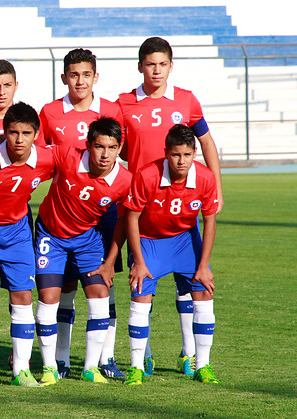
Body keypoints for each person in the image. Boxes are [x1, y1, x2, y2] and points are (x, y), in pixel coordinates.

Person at [117, 36, 223, 376]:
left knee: (190, 287)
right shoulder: (124, 104)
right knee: (142, 284)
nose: (156, 70)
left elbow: (205, 141)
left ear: (171, 66)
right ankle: (143, 356)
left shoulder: (187, 101)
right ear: (140, 66)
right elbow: (114, 147)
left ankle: (189, 354)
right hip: (143, 207)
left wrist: (216, 187)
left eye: (162, 64)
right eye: (150, 64)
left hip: (182, 206)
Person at [38, 48, 126, 379]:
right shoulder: (50, 112)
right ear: (64, 77)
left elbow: (121, 155)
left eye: (86, 74)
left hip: (102, 213)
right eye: (74, 74)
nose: (80, 81)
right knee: (65, 287)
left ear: (95, 77)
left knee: (105, 282)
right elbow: (38, 152)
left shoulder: (111, 110)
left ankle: (105, 358)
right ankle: (59, 358)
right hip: (64, 213)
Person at [0, 102, 54, 388]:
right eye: (12, 132)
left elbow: (78, 160)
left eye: (26, 133)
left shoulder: (47, 158)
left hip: (17, 234)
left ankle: (21, 369)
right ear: (3, 131)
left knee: (23, 299)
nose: (18, 139)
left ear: (36, 134)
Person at [123, 124, 219, 386]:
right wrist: (139, 261)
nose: (181, 161)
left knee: (204, 292)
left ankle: (203, 365)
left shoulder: (206, 178)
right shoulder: (146, 175)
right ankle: (136, 366)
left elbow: (209, 222)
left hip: (185, 241)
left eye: (187, 155)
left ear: (195, 153)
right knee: (140, 294)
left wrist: (204, 265)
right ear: (166, 152)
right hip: (150, 241)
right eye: (176, 155)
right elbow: (131, 218)